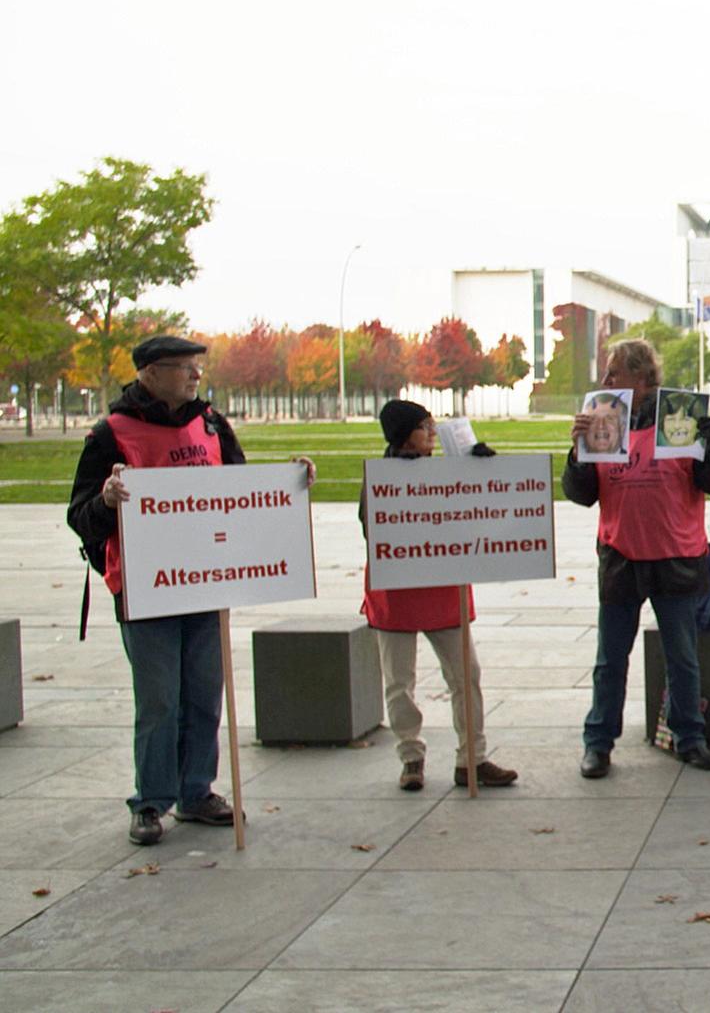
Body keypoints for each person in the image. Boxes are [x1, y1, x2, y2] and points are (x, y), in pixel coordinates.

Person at [65, 335, 314, 846]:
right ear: (150, 374)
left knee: (204, 694)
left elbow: (241, 494)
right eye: (184, 368)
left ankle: (196, 790)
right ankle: (151, 801)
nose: (196, 376)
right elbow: (79, 514)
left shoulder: (211, 424)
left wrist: (290, 483)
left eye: (198, 367)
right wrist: (108, 499)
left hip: (205, 585)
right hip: (145, 588)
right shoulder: (111, 432)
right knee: (158, 700)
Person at [564, 338, 710, 775]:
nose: (605, 382)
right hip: (622, 555)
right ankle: (598, 743)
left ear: (640, 379)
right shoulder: (604, 421)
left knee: (682, 655)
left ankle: (689, 737)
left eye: (614, 373)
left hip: (676, 555)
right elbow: (580, 495)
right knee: (610, 659)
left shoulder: (679, 417)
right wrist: (578, 454)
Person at [358, 400, 517, 791]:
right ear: (402, 435)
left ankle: (472, 758)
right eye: (423, 426)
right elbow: (372, 528)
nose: (432, 431)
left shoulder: (450, 471)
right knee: (399, 683)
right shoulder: (380, 477)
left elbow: (487, 512)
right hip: (397, 590)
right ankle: (410, 756)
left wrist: (483, 468)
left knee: (466, 676)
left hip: (444, 588)